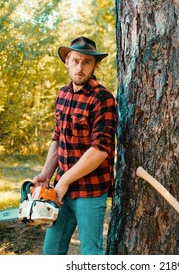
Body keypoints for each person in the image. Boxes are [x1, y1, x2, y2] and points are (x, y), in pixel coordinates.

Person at [33, 36, 117, 255]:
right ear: (67, 61)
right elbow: (58, 137)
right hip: (61, 188)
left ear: (96, 65)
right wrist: (46, 173)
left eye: (87, 62)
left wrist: (65, 181)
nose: (80, 67)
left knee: (90, 253)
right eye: (76, 60)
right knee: (51, 251)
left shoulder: (103, 98)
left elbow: (100, 150)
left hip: (90, 190)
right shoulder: (63, 94)